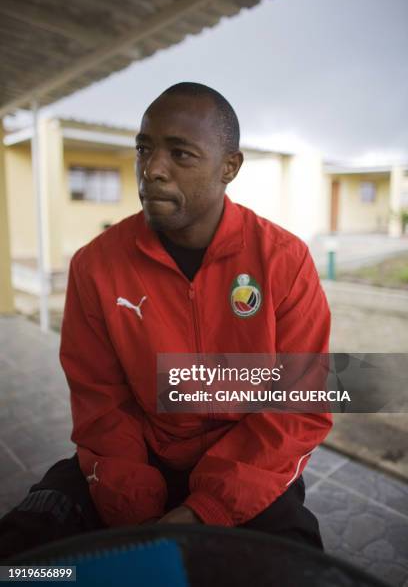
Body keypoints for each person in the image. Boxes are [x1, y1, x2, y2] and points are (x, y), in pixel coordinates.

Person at [0, 83, 332, 559]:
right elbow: (101, 403)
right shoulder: (95, 265)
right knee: (24, 557)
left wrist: (206, 511)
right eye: (144, 149)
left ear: (229, 168)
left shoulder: (284, 261)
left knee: (293, 569)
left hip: (245, 465)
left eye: (180, 154)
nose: (152, 169)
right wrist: (137, 513)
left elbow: (300, 404)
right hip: (132, 461)